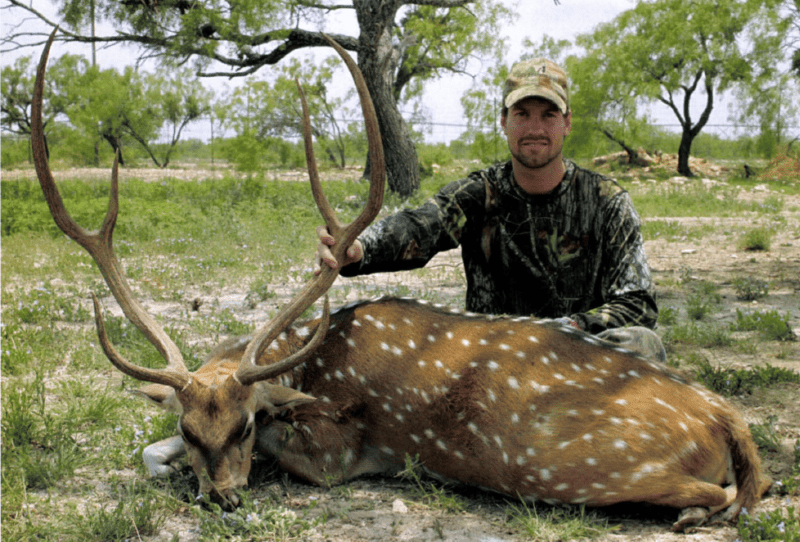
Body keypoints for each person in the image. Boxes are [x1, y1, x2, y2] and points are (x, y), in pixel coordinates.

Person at [317, 58, 665, 362]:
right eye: (522, 114)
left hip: (577, 360)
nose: (535, 129)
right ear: (503, 121)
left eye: (548, 115)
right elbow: (421, 227)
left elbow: (638, 303)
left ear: (567, 123)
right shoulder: (479, 193)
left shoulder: (607, 200)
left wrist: (565, 330)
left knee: (642, 344)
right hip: (492, 366)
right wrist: (360, 247)